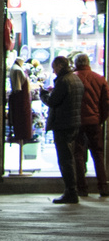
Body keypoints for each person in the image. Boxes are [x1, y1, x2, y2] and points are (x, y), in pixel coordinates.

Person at [45, 55, 84, 205]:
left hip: (63, 124)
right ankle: (72, 190)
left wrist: (44, 95)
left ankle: (71, 191)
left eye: (54, 68)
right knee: (70, 157)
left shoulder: (63, 81)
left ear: (60, 66)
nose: (54, 71)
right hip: (73, 123)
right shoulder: (75, 79)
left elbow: (53, 101)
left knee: (65, 159)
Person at [73, 53, 109, 199]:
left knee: (78, 155)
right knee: (98, 154)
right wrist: (100, 119)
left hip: (77, 122)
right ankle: (103, 186)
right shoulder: (99, 79)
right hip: (94, 122)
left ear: (76, 63)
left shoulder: (73, 78)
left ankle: (82, 188)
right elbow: (106, 103)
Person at [8, 64, 33, 145]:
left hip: (22, 104)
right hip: (21, 106)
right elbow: (17, 89)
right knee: (22, 129)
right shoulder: (17, 70)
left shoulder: (18, 69)